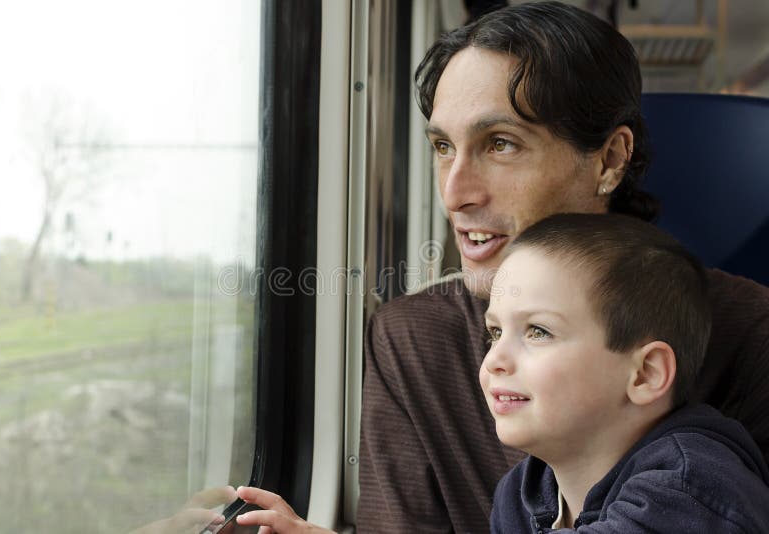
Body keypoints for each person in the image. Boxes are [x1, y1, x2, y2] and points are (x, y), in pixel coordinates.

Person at [232, 2, 769, 532]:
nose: (454, 192)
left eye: (501, 144)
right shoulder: (411, 338)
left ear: (609, 159)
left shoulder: (753, 336)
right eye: (443, 146)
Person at [482, 213, 769, 532]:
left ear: (645, 374)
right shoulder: (520, 492)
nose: (495, 359)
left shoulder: (688, 490)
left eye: (538, 331)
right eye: (494, 332)